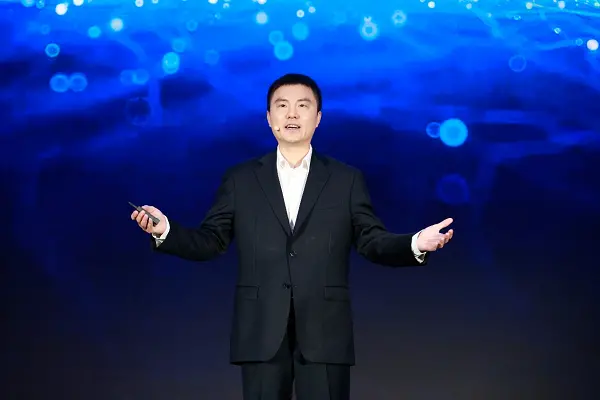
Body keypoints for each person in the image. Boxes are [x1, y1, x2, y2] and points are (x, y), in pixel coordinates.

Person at [131, 73, 454, 399]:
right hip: (260, 330)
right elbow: (211, 241)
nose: (292, 114)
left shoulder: (346, 180)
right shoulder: (240, 180)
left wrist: (415, 243)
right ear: (269, 118)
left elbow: (371, 241)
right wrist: (165, 230)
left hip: (326, 330)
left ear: (318, 118)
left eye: (303, 106)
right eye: (282, 106)